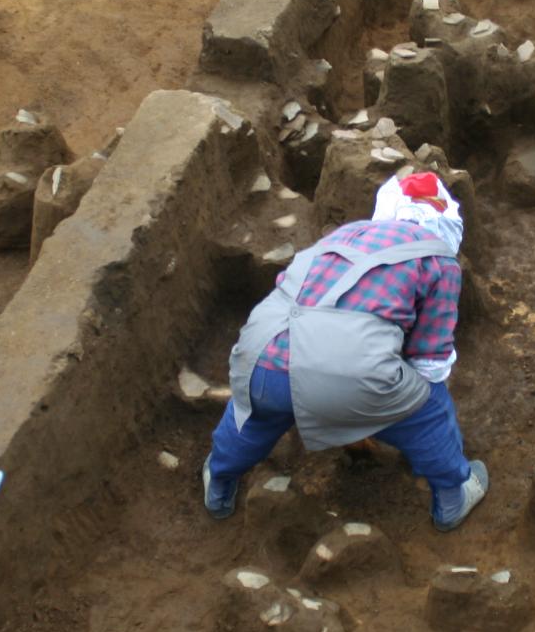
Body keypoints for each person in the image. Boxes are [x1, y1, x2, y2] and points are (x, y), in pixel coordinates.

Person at [202, 172, 489, 531]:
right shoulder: (440, 262)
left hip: (260, 352)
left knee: (253, 414)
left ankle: (219, 480)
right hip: (346, 378)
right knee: (429, 406)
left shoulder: (343, 236)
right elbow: (430, 360)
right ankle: (453, 494)